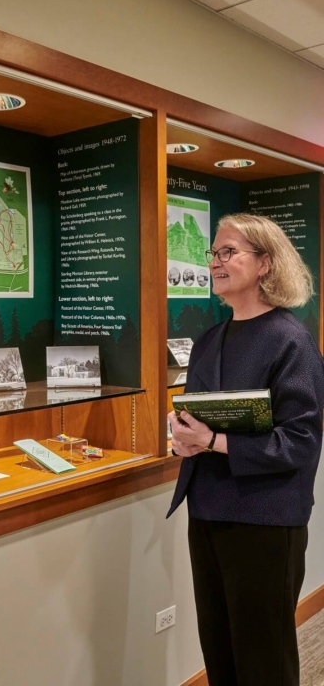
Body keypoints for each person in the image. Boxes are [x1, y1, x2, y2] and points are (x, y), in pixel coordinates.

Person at [167, 214, 324, 686]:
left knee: (263, 657)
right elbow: (200, 422)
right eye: (213, 253)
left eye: (228, 252)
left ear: (265, 264)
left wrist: (212, 441)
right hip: (209, 511)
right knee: (220, 648)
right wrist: (181, 436)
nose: (215, 262)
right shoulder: (209, 340)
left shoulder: (291, 341)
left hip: (267, 519)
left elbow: (300, 441)